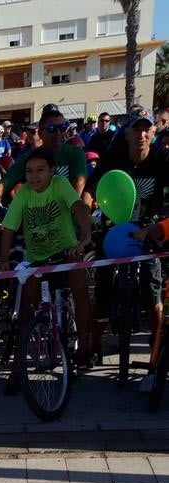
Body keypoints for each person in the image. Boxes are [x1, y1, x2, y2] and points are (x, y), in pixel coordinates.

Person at [0, 146, 93, 389]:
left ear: (52, 171)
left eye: (41, 170)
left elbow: (79, 208)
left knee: (80, 286)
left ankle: (84, 345)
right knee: (26, 314)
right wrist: (5, 258)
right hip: (38, 258)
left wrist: (84, 238)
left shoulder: (60, 183)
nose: (34, 176)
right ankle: (17, 369)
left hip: (66, 252)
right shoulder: (24, 193)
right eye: (29, 171)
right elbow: (8, 228)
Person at [86, 109, 169, 382]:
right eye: (136, 129)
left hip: (149, 229)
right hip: (115, 229)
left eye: (147, 129)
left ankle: (158, 347)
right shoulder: (115, 155)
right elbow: (90, 189)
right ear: (127, 133)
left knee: (151, 289)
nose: (142, 135)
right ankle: (94, 345)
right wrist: (85, 211)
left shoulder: (162, 158)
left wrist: (156, 227)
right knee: (104, 287)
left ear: (153, 132)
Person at [0, 106, 87, 217]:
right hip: (37, 222)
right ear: (41, 132)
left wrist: (68, 209)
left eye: (62, 127)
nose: (58, 133)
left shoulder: (75, 153)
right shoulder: (29, 158)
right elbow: (3, 185)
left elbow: (79, 182)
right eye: (52, 128)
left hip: (67, 222)